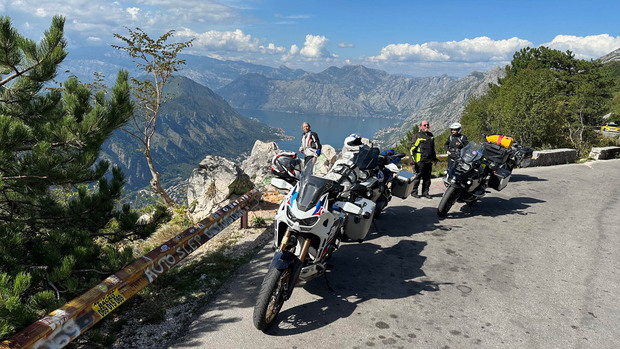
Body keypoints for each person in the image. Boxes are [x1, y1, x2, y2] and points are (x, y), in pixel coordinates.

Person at [409, 120, 438, 199]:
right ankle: (414, 192)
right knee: (417, 178)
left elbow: (433, 149)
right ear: (420, 126)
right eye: (424, 125)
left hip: (428, 161)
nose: (426, 126)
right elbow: (411, 150)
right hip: (419, 161)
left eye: (427, 125)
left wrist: (434, 158)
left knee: (427, 179)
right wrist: (412, 162)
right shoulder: (416, 136)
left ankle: (425, 193)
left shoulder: (431, 135)